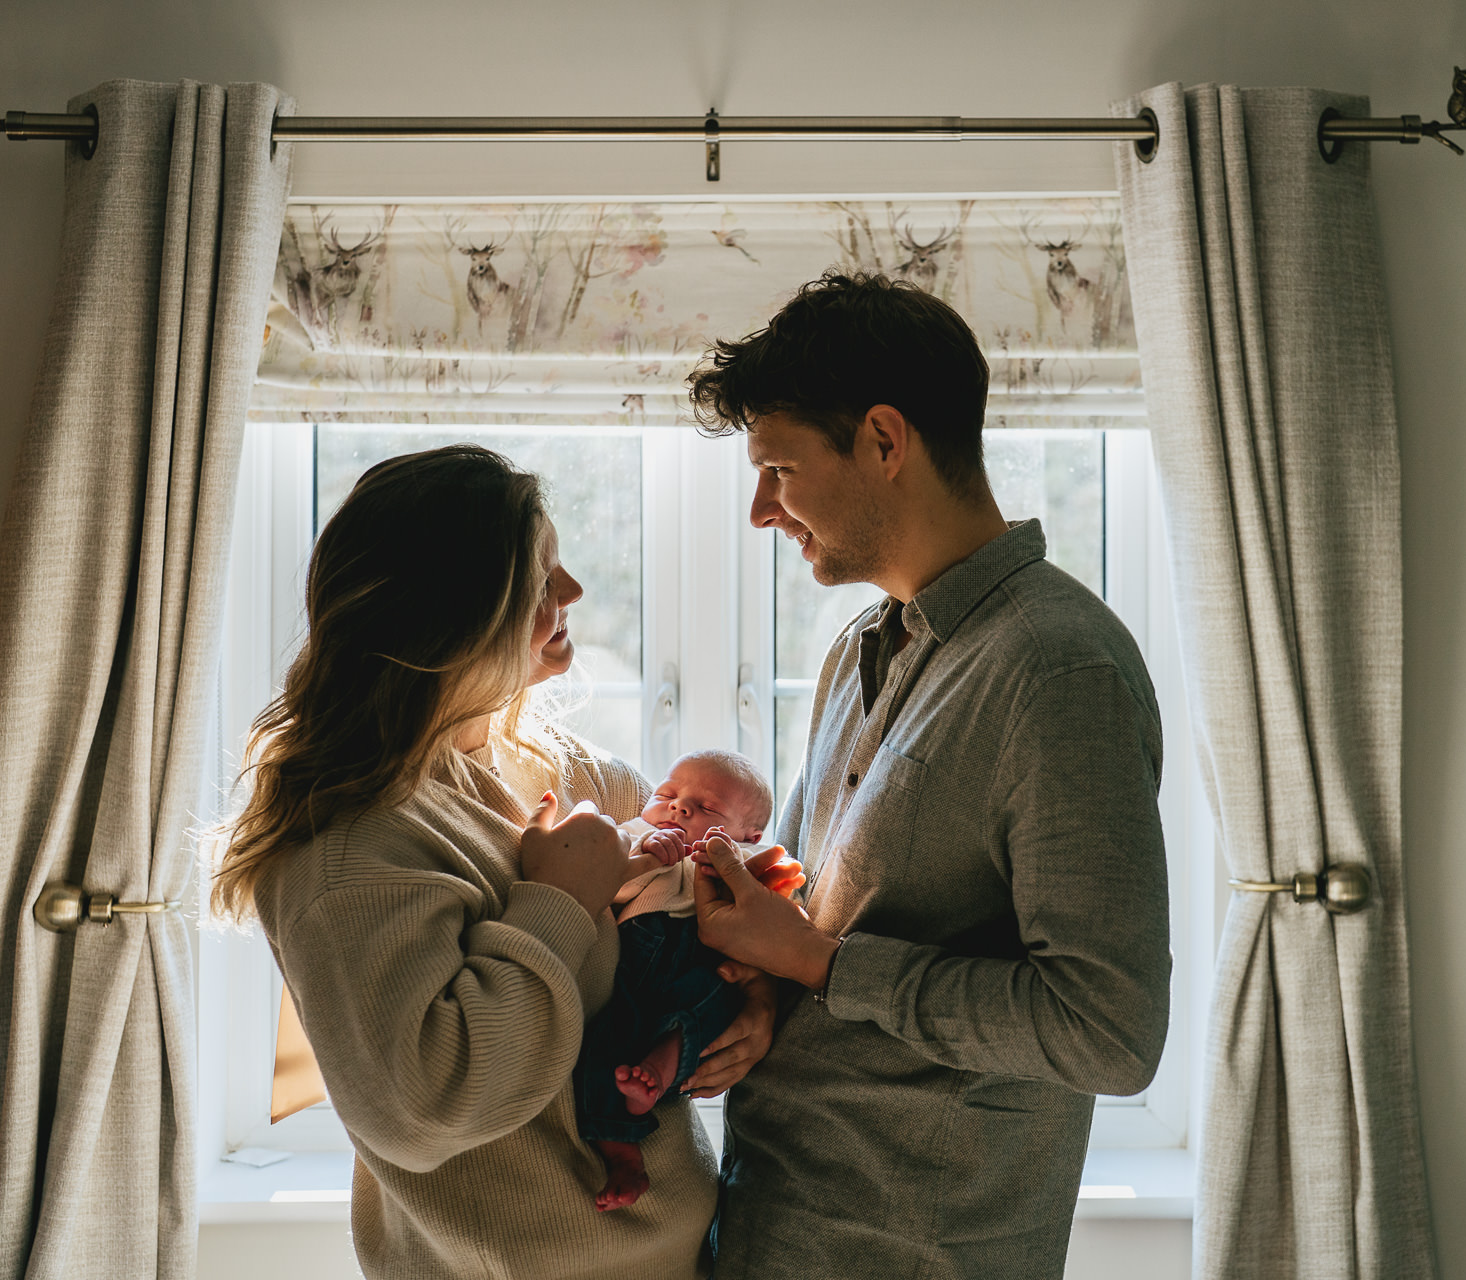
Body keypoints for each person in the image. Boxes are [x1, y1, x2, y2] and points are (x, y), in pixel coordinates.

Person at [685, 273, 1173, 1279]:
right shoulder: (857, 649)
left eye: (778, 469)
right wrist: (776, 989)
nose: (759, 511)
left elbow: (1108, 1032)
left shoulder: (1058, 669)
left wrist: (823, 967)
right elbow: (838, 928)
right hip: (771, 1224)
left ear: (883, 440)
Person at [210, 445, 797, 1279]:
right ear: (449, 612)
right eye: (540, 579)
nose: (573, 595)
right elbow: (423, 1108)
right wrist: (555, 905)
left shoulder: (549, 765)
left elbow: (706, 895)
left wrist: (753, 992)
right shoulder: (345, 851)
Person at [579, 750, 795, 1213]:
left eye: (708, 808)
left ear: (749, 835)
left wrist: (772, 893)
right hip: (641, 951)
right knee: (606, 1036)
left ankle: (660, 1069)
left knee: (711, 1006)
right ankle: (622, 1152)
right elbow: (598, 887)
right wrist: (641, 859)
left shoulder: (748, 860)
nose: (678, 809)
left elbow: (780, 924)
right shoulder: (635, 836)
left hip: (703, 963)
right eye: (667, 795)